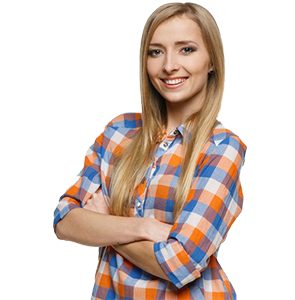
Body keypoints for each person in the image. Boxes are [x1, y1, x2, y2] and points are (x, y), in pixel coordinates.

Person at [51, 1, 249, 299]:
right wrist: (142, 227)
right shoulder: (120, 130)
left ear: (212, 61)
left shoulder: (222, 148)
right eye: (156, 52)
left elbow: (179, 263)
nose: (169, 65)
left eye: (186, 49)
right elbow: (65, 220)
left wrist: (105, 227)